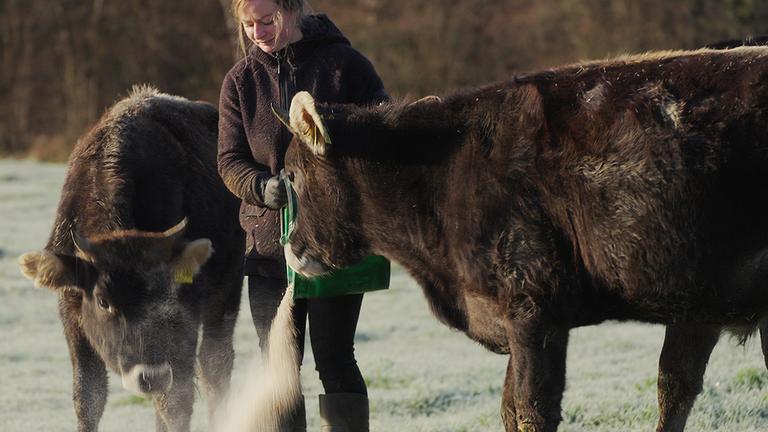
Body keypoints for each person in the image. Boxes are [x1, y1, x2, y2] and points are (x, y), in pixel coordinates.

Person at [217, 1, 388, 431]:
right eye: (249, 24)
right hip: (268, 248)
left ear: (293, 10)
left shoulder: (345, 64)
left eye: (268, 20)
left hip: (333, 242)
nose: (258, 32)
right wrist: (261, 187)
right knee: (280, 369)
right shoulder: (239, 82)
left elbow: (385, 126)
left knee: (335, 358)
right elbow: (229, 160)